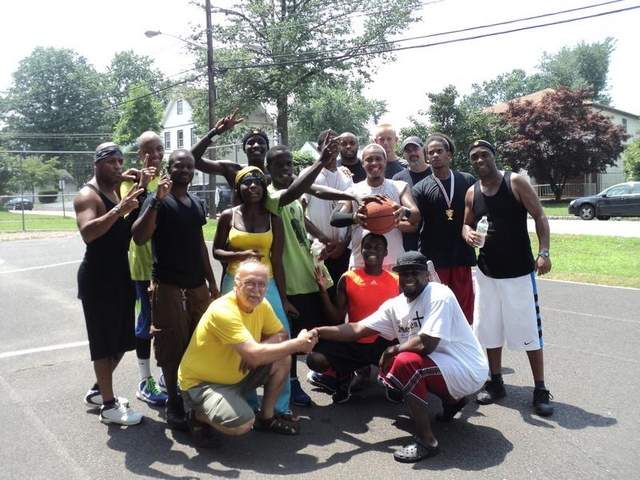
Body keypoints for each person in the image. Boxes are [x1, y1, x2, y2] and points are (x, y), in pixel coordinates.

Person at [312, 251, 489, 463]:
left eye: (415, 272)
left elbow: (427, 344)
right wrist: (319, 331)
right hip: (445, 369)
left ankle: (427, 441)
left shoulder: (439, 294)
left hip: (469, 369)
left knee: (405, 362)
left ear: (426, 275)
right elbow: (357, 328)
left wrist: (393, 349)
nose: (408, 278)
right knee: (402, 363)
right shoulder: (395, 305)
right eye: (404, 273)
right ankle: (453, 400)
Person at [178, 260, 319, 442]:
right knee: (242, 424)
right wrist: (297, 345)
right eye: (250, 283)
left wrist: (259, 350)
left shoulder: (261, 304)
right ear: (236, 284)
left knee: (282, 357)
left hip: (236, 375)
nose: (256, 289)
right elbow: (254, 355)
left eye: (262, 284)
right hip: (202, 384)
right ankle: (196, 416)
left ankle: (267, 418)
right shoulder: (223, 310)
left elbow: (280, 334)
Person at [264, 141, 360, 407]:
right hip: (291, 281)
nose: (286, 170)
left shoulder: (293, 197)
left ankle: (330, 374)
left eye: (290, 165)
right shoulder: (271, 196)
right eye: (279, 166)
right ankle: (290, 384)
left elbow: (310, 201)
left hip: (311, 275)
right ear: (268, 169)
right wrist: (321, 161)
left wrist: (352, 197)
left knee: (321, 330)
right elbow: (300, 190)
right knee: (294, 339)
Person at [462, 139, 553, 417]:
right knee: (489, 329)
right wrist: (467, 234)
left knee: (528, 331)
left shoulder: (515, 182)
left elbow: (539, 215)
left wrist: (544, 252)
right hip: (487, 272)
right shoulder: (471, 192)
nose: (480, 160)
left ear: (494, 155)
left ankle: (540, 388)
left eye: (484, 154)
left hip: (518, 272)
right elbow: (466, 224)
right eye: (475, 157)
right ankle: (496, 381)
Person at [132, 149, 219, 430]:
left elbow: (199, 245)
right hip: (168, 286)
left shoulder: (196, 202)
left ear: (194, 171)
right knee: (170, 346)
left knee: (200, 344)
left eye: (189, 166)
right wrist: (155, 200)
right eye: (179, 165)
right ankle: (174, 401)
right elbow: (140, 236)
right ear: (169, 168)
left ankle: (194, 397)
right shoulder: (156, 199)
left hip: (197, 287)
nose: (184, 169)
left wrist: (211, 281)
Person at [74, 142, 149, 426]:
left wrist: (138, 182)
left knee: (121, 340)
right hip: (98, 279)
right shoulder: (87, 195)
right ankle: (108, 406)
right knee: (104, 344)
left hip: (120, 275)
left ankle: (97, 391)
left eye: (120, 162)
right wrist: (119, 208)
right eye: (112, 162)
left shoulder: (114, 189)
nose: (118, 166)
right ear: (97, 163)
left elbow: (129, 209)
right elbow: (89, 233)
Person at [212, 165, 294, 419]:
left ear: (263, 187)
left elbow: (277, 261)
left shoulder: (274, 218)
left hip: (266, 283)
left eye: (257, 183)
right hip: (235, 284)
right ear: (238, 189)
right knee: (240, 341)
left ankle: (279, 405)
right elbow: (216, 251)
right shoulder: (228, 216)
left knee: (282, 338)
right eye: (247, 183)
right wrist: (239, 255)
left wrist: (283, 297)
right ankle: (246, 401)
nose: (253, 187)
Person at [307, 233, 399, 402]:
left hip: (383, 343)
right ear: (361, 250)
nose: (372, 251)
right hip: (355, 341)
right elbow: (336, 317)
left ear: (386, 252)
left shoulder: (396, 280)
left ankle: (393, 381)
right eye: (368, 247)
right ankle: (344, 376)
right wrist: (322, 291)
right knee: (315, 359)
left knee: (407, 350)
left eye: (378, 247)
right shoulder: (348, 278)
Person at [120, 131, 168, 406]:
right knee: (145, 324)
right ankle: (144, 379)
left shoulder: (165, 180)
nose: (157, 156)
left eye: (160, 150)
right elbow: (131, 221)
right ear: (141, 155)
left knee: (165, 323)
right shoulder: (130, 183)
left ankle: (162, 374)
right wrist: (142, 183)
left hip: (166, 264)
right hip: (142, 266)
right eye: (150, 151)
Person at [412, 133, 477, 323]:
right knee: (437, 311)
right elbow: (415, 223)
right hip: (434, 259)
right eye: (430, 152)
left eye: (439, 151)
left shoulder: (467, 181)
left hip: (461, 256)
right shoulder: (420, 188)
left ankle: (464, 349)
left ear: (449, 155)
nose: (434, 156)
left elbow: (480, 214)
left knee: (464, 312)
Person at [332, 144, 420, 270]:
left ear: (385, 161)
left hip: (393, 261)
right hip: (361, 262)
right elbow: (335, 218)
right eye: (369, 159)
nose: (374, 163)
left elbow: (416, 215)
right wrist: (355, 217)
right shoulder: (353, 190)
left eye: (378, 159)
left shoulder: (399, 186)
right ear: (362, 163)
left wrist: (403, 212)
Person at [302, 129, 354, 292]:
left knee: (342, 296)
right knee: (322, 295)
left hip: (343, 249)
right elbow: (298, 214)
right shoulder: (308, 175)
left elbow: (352, 213)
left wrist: (343, 244)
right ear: (319, 148)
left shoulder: (347, 176)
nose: (333, 146)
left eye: (336, 142)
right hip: (319, 249)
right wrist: (323, 238)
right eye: (328, 143)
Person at [392, 136, 432, 251]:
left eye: (415, 149)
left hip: (433, 239)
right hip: (408, 241)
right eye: (408, 151)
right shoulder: (398, 179)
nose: (412, 153)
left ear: (423, 150)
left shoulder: (435, 173)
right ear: (404, 155)